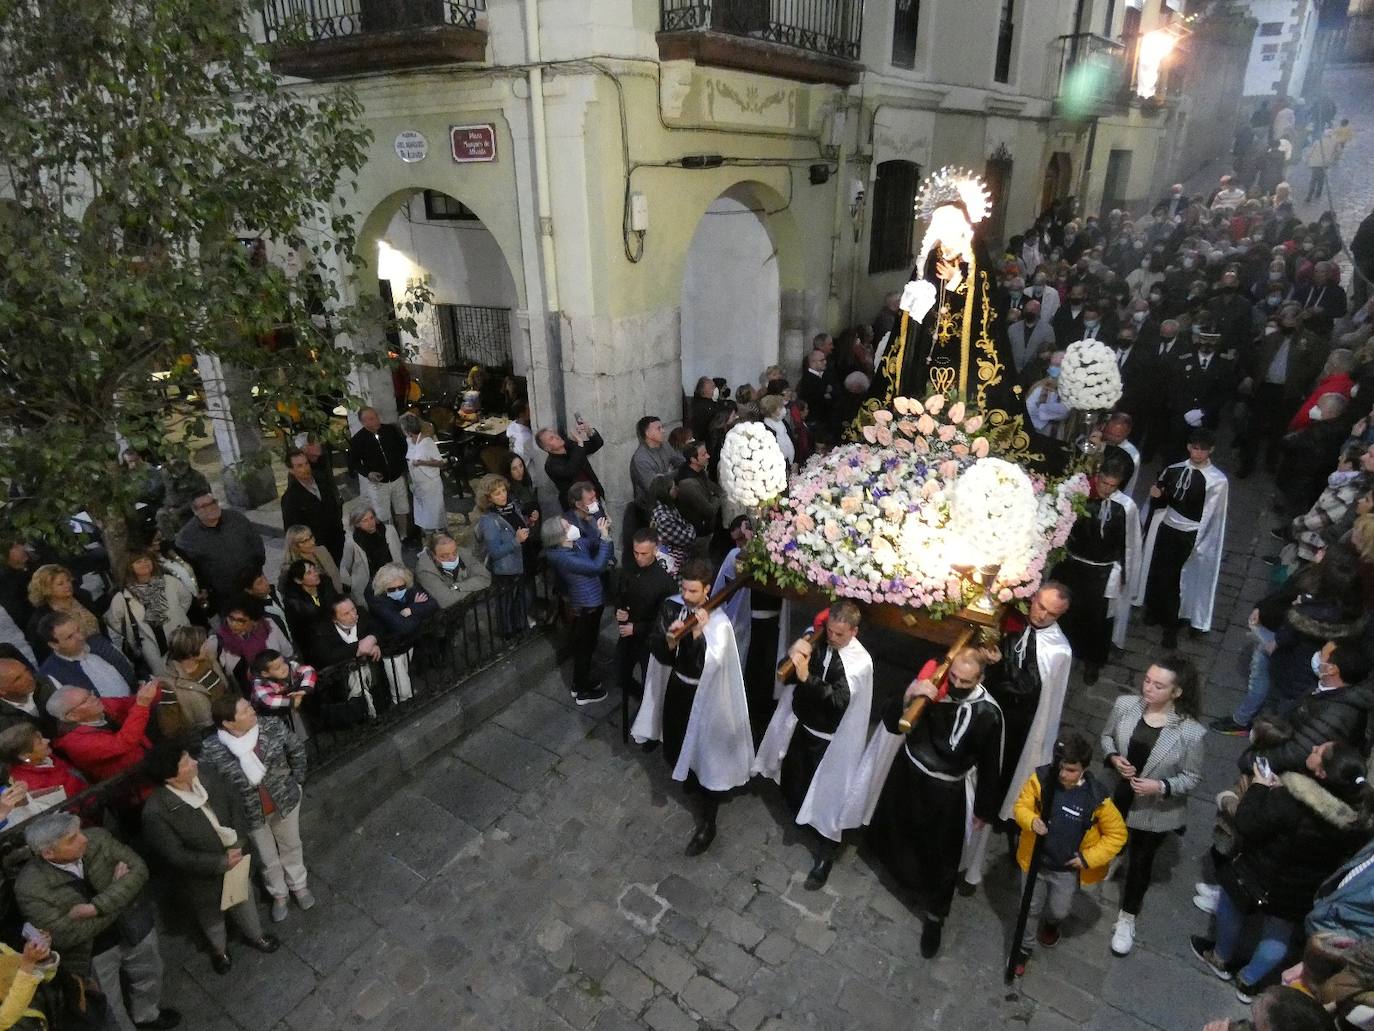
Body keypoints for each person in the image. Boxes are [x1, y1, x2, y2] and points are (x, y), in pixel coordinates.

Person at [1192, 741, 1372, 1004]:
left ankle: (1219, 958)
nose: (1313, 747)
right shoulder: (1357, 821)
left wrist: (1259, 787)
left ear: (1322, 773)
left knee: (1230, 909)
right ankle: (1248, 982)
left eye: (1318, 752)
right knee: (1277, 935)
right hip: (1299, 890)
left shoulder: (1291, 800)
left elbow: (1248, 822)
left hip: (1256, 872)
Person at [860, 647, 1003, 958]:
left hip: (946, 792)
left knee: (941, 855)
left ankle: (935, 917)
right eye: (953, 677)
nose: (956, 684)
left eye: (965, 681)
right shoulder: (931, 688)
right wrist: (909, 694)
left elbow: (992, 765)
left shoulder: (989, 713)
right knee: (898, 826)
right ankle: (894, 869)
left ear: (980, 679)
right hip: (909, 773)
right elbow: (890, 721)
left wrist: (983, 810)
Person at [631, 559, 752, 856]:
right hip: (679, 689)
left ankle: (707, 822)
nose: (687, 595)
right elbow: (658, 649)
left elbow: (708, 667)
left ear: (707, 590)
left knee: (705, 756)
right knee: (674, 742)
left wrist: (697, 636)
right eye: (684, 588)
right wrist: (671, 641)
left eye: (693, 590)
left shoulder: (719, 624)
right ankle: (685, 773)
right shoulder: (673, 608)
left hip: (706, 697)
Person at [15, 814, 181, 1030]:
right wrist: (119, 895)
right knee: (109, 1004)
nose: (84, 839)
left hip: (134, 925)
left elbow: (139, 870)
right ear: (48, 853)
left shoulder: (98, 839)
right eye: (72, 839)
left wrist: (95, 908)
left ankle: (147, 1016)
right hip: (92, 952)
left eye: (80, 831)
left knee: (150, 973)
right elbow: (64, 935)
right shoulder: (29, 887)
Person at [753, 602, 873, 891]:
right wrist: (794, 656)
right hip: (802, 725)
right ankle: (800, 817)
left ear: (854, 632)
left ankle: (825, 853)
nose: (832, 637)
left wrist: (808, 677)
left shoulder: (860, 663)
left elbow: (837, 702)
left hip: (829, 740)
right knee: (796, 780)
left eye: (840, 634)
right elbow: (795, 671)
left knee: (826, 799)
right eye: (830, 630)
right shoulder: (820, 641)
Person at [963, 584, 1074, 892]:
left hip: (1021, 733)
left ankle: (980, 858)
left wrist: (1003, 664)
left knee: (998, 787)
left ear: (1060, 615)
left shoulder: (1058, 651)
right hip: (995, 718)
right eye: (1039, 606)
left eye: (1050, 613)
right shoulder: (1020, 629)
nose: (1040, 615)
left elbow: (1029, 689)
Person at [140, 745, 280, 974]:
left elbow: (235, 803)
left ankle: (256, 936)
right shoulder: (157, 812)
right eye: (185, 763)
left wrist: (238, 840)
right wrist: (219, 863)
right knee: (211, 916)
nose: (193, 762)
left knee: (244, 900)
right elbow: (175, 854)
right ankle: (220, 950)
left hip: (236, 856)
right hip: (202, 877)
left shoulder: (207, 776)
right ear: (170, 776)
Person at [1100, 657, 1206, 957]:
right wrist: (1113, 759)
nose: (1148, 688)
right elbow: (1107, 737)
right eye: (1147, 680)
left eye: (1158, 685)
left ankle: (1127, 916)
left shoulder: (1190, 733)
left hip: (1155, 810)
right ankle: (1114, 858)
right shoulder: (1125, 705)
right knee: (1112, 835)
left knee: (1142, 862)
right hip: (1120, 794)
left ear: (1177, 692)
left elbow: (1192, 777)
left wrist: (1160, 786)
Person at [1009, 731, 1127, 975]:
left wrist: (1086, 859)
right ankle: (1024, 948)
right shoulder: (1041, 780)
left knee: (1059, 909)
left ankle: (1052, 924)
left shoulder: (1095, 798)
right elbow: (1021, 806)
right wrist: (1031, 821)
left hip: (1065, 869)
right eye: (1061, 768)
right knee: (1029, 907)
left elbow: (1117, 834)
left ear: (1083, 768)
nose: (1063, 775)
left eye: (1071, 770)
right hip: (1034, 862)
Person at [200, 695, 313, 924]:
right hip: (249, 814)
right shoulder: (212, 748)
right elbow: (212, 786)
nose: (252, 711)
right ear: (228, 724)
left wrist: (297, 779)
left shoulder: (271, 727)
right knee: (266, 857)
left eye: (249, 707)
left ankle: (299, 885)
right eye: (244, 711)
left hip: (284, 801)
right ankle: (279, 894)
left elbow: (295, 748)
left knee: (291, 845)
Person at [1133, 428, 1228, 650]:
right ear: (1188, 447)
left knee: (1178, 581)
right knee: (1159, 572)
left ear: (1210, 450)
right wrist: (1158, 496)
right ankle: (1154, 610)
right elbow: (1161, 499)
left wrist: (1200, 540)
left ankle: (1172, 625)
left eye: (1202, 449)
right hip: (1167, 527)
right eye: (1194, 448)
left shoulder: (1217, 481)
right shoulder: (1173, 470)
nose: (1198, 453)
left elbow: (1211, 514)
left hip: (1191, 534)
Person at [1052, 456, 1141, 684]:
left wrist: (1126, 575)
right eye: (1104, 484)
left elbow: (1130, 544)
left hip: (1101, 572)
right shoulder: (1080, 495)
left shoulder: (1126, 508)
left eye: (1113, 486)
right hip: (1072, 565)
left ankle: (1092, 661)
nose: (1107, 490)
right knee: (1067, 612)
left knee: (1097, 620)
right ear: (1098, 477)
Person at [543, 515, 614, 704]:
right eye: (567, 527)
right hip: (587, 605)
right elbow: (596, 566)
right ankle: (582, 690)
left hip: (591, 601)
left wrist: (600, 530)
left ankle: (580, 683)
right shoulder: (563, 557)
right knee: (585, 647)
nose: (572, 527)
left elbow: (589, 542)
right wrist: (605, 538)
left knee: (588, 645)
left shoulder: (572, 545)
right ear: (558, 536)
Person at [48, 681, 158, 788]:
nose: (94, 698)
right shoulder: (75, 743)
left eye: (89, 693)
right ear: (72, 716)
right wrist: (142, 704)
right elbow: (122, 743)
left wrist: (157, 688)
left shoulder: (101, 705)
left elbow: (131, 702)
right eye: (85, 700)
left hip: (151, 764)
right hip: (134, 787)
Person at [104, 551, 194, 677]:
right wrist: (133, 634)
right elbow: (114, 621)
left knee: (192, 671)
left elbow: (186, 599)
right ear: (130, 567)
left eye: (146, 559)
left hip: (180, 637)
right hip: (152, 646)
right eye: (138, 561)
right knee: (167, 681)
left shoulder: (169, 581)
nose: (144, 563)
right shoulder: (123, 596)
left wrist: (177, 615)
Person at [614, 529, 676, 706]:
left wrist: (636, 628)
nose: (639, 557)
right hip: (627, 637)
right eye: (635, 552)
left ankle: (647, 710)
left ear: (655, 550)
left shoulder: (665, 582)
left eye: (644, 553)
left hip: (649, 641)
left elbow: (666, 620)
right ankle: (639, 697)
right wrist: (619, 610)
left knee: (650, 682)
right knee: (620, 674)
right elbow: (621, 596)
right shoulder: (629, 569)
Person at [174, 494, 265, 612]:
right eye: (204, 506)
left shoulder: (236, 518)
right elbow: (190, 569)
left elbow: (256, 543)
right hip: (224, 595)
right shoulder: (187, 538)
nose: (211, 507)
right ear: (195, 511)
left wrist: (257, 570)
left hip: (253, 584)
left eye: (213, 502)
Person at [472, 474, 532, 637]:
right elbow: (495, 551)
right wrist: (516, 541)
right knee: (505, 603)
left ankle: (521, 627)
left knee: (520, 599)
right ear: (488, 498)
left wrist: (529, 523)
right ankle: (508, 632)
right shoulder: (489, 521)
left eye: (503, 490)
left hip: (520, 562)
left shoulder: (512, 508)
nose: (503, 495)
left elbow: (519, 525)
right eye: (497, 493)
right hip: (505, 569)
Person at [346, 406, 411, 540]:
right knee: (382, 513)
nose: (375, 420)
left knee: (402, 508)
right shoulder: (358, 440)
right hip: (378, 483)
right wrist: (368, 473)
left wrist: (402, 467)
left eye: (375, 416)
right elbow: (354, 462)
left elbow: (403, 448)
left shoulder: (390, 430)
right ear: (363, 422)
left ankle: (404, 535)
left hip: (397, 477)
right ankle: (389, 537)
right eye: (370, 418)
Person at [38, 613, 137, 699]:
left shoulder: (99, 643)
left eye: (78, 630)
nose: (80, 637)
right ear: (54, 645)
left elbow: (130, 668)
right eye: (70, 637)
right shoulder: (52, 674)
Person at [0, 724, 89, 818]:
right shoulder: (35, 787)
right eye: (40, 742)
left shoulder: (43, 757)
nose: (47, 741)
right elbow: (65, 812)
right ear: (26, 756)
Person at [158, 625, 230, 739]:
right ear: (190, 651)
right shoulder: (168, 685)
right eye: (203, 644)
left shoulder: (209, 660)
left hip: (229, 726)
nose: (208, 646)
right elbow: (170, 729)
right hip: (209, 739)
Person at [279, 449, 345, 565]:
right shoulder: (291, 498)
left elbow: (335, 506)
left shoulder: (322, 481)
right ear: (291, 470)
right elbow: (293, 531)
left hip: (337, 541)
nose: (305, 468)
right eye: (299, 466)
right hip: (316, 550)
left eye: (306, 463)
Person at [24, 564, 100, 662]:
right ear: (46, 589)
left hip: (103, 647)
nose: (68, 585)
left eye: (68, 580)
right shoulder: (40, 619)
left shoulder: (83, 596)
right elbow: (44, 656)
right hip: (76, 661)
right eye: (60, 584)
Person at [214, 597, 293, 690]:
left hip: (281, 687)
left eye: (241, 621)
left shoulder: (269, 628)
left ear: (253, 620)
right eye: (230, 618)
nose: (233, 624)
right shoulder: (220, 640)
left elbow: (288, 653)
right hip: (247, 694)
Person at [537, 419, 604, 510]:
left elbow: (597, 444)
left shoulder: (571, 447)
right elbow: (570, 471)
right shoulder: (550, 465)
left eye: (555, 434)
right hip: (578, 508)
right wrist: (579, 444)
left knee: (604, 523)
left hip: (594, 496)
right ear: (547, 448)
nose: (557, 437)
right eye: (551, 438)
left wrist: (589, 431)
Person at [400, 413, 446, 537]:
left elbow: (441, 463)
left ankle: (439, 539)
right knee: (423, 516)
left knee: (434, 515)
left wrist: (422, 462)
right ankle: (428, 541)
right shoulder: (409, 441)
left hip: (430, 484)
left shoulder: (427, 442)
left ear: (408, 429)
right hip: (417, 484)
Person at [248, 649, 316, 733]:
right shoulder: (259, 684)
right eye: (277, 668)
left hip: (285, 703)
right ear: (265, 674)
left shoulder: (289, 666)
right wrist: (292, 701)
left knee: (294, 728)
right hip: (267, 715)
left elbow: (308, 670)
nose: (284, 667)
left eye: (283, 662)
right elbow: (268, 700)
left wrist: (303, 690)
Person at [415, 533, 489, 610]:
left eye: (454, 552)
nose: (452, 558)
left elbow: (485, 578)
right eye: (444, 556)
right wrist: (475, 588)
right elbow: (446, 600)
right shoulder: (424, 569)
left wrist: (458, 587)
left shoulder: (462, 552)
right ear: (433, 555)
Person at [629, 416, 683, 517]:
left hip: (669, 496)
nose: (663, 431)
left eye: (662, 427)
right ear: (648, 434)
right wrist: (673, 477)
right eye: (659, 428)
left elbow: (681, 463)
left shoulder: (665, 445)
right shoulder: (641, 458)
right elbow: (655, 487)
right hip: (650, 507)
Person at [280, 559, 340, 646]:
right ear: (298, 580)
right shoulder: (293, 601)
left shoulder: (326, 584)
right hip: (316, 641)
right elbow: (298, 631)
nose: (315, 574)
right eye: (309, 573)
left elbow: (337, 601)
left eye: (314, 570)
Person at [279, 524, 344, 597]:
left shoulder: (322, 551)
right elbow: (284, 591)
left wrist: (340, 597)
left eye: (311, 537)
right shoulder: (290, 567)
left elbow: (335, 576)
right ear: (294, 546)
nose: (312, 542)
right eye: (305, 541)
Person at [0, 659, 57, 739]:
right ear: (2, 691)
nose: (29, 678)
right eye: (18, 679)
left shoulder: (46, 682)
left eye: (26, 670)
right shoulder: (3, 723)